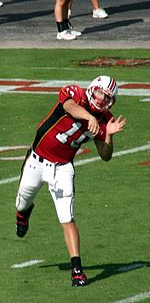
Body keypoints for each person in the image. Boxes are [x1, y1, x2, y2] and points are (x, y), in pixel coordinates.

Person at [15, 75, 126, 287]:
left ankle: (77, 269)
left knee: (67, 217)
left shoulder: (105, 119)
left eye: (107, 97)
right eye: (100, 93)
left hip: (62, 168)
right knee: (22, 201)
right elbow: (70, 106)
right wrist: (89, 118)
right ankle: (23, 213)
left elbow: (105, 155)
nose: (102, 99)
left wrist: (108, 135)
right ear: (92, 89)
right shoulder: (76, 94)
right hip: (36, 160)